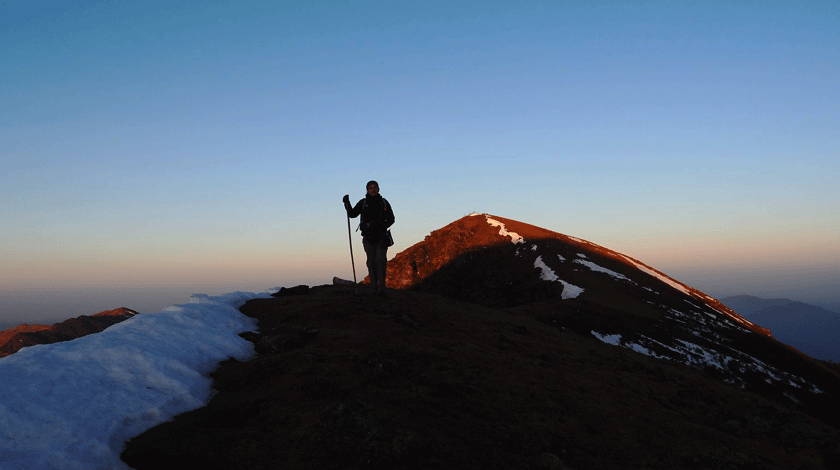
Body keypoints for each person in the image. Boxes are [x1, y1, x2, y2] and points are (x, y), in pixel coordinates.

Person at [343, 180, 395, 295]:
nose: (373, 189)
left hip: (381, 236)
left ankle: (381, 287)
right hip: (368, 237)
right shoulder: (363, 203)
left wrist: (381, 226)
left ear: (378, 189)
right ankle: (373, 286)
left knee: (380, 261)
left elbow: (391, 219)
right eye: (370, 188)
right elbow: (352, 214)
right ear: (367, 190)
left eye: (375, 187)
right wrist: (347, 204)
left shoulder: (384, 202)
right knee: (371, 262)